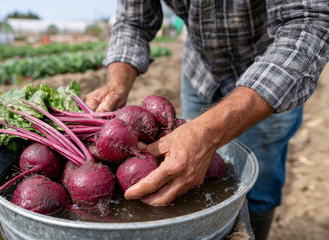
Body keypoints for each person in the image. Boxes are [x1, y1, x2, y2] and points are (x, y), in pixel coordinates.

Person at [84, 1, 329, 239]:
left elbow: (307, 26)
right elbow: (132, 22)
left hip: (270, 73)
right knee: (183, 173)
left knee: (260, 185)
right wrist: (117, 83)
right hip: (200, 70)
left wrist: (208, 133)